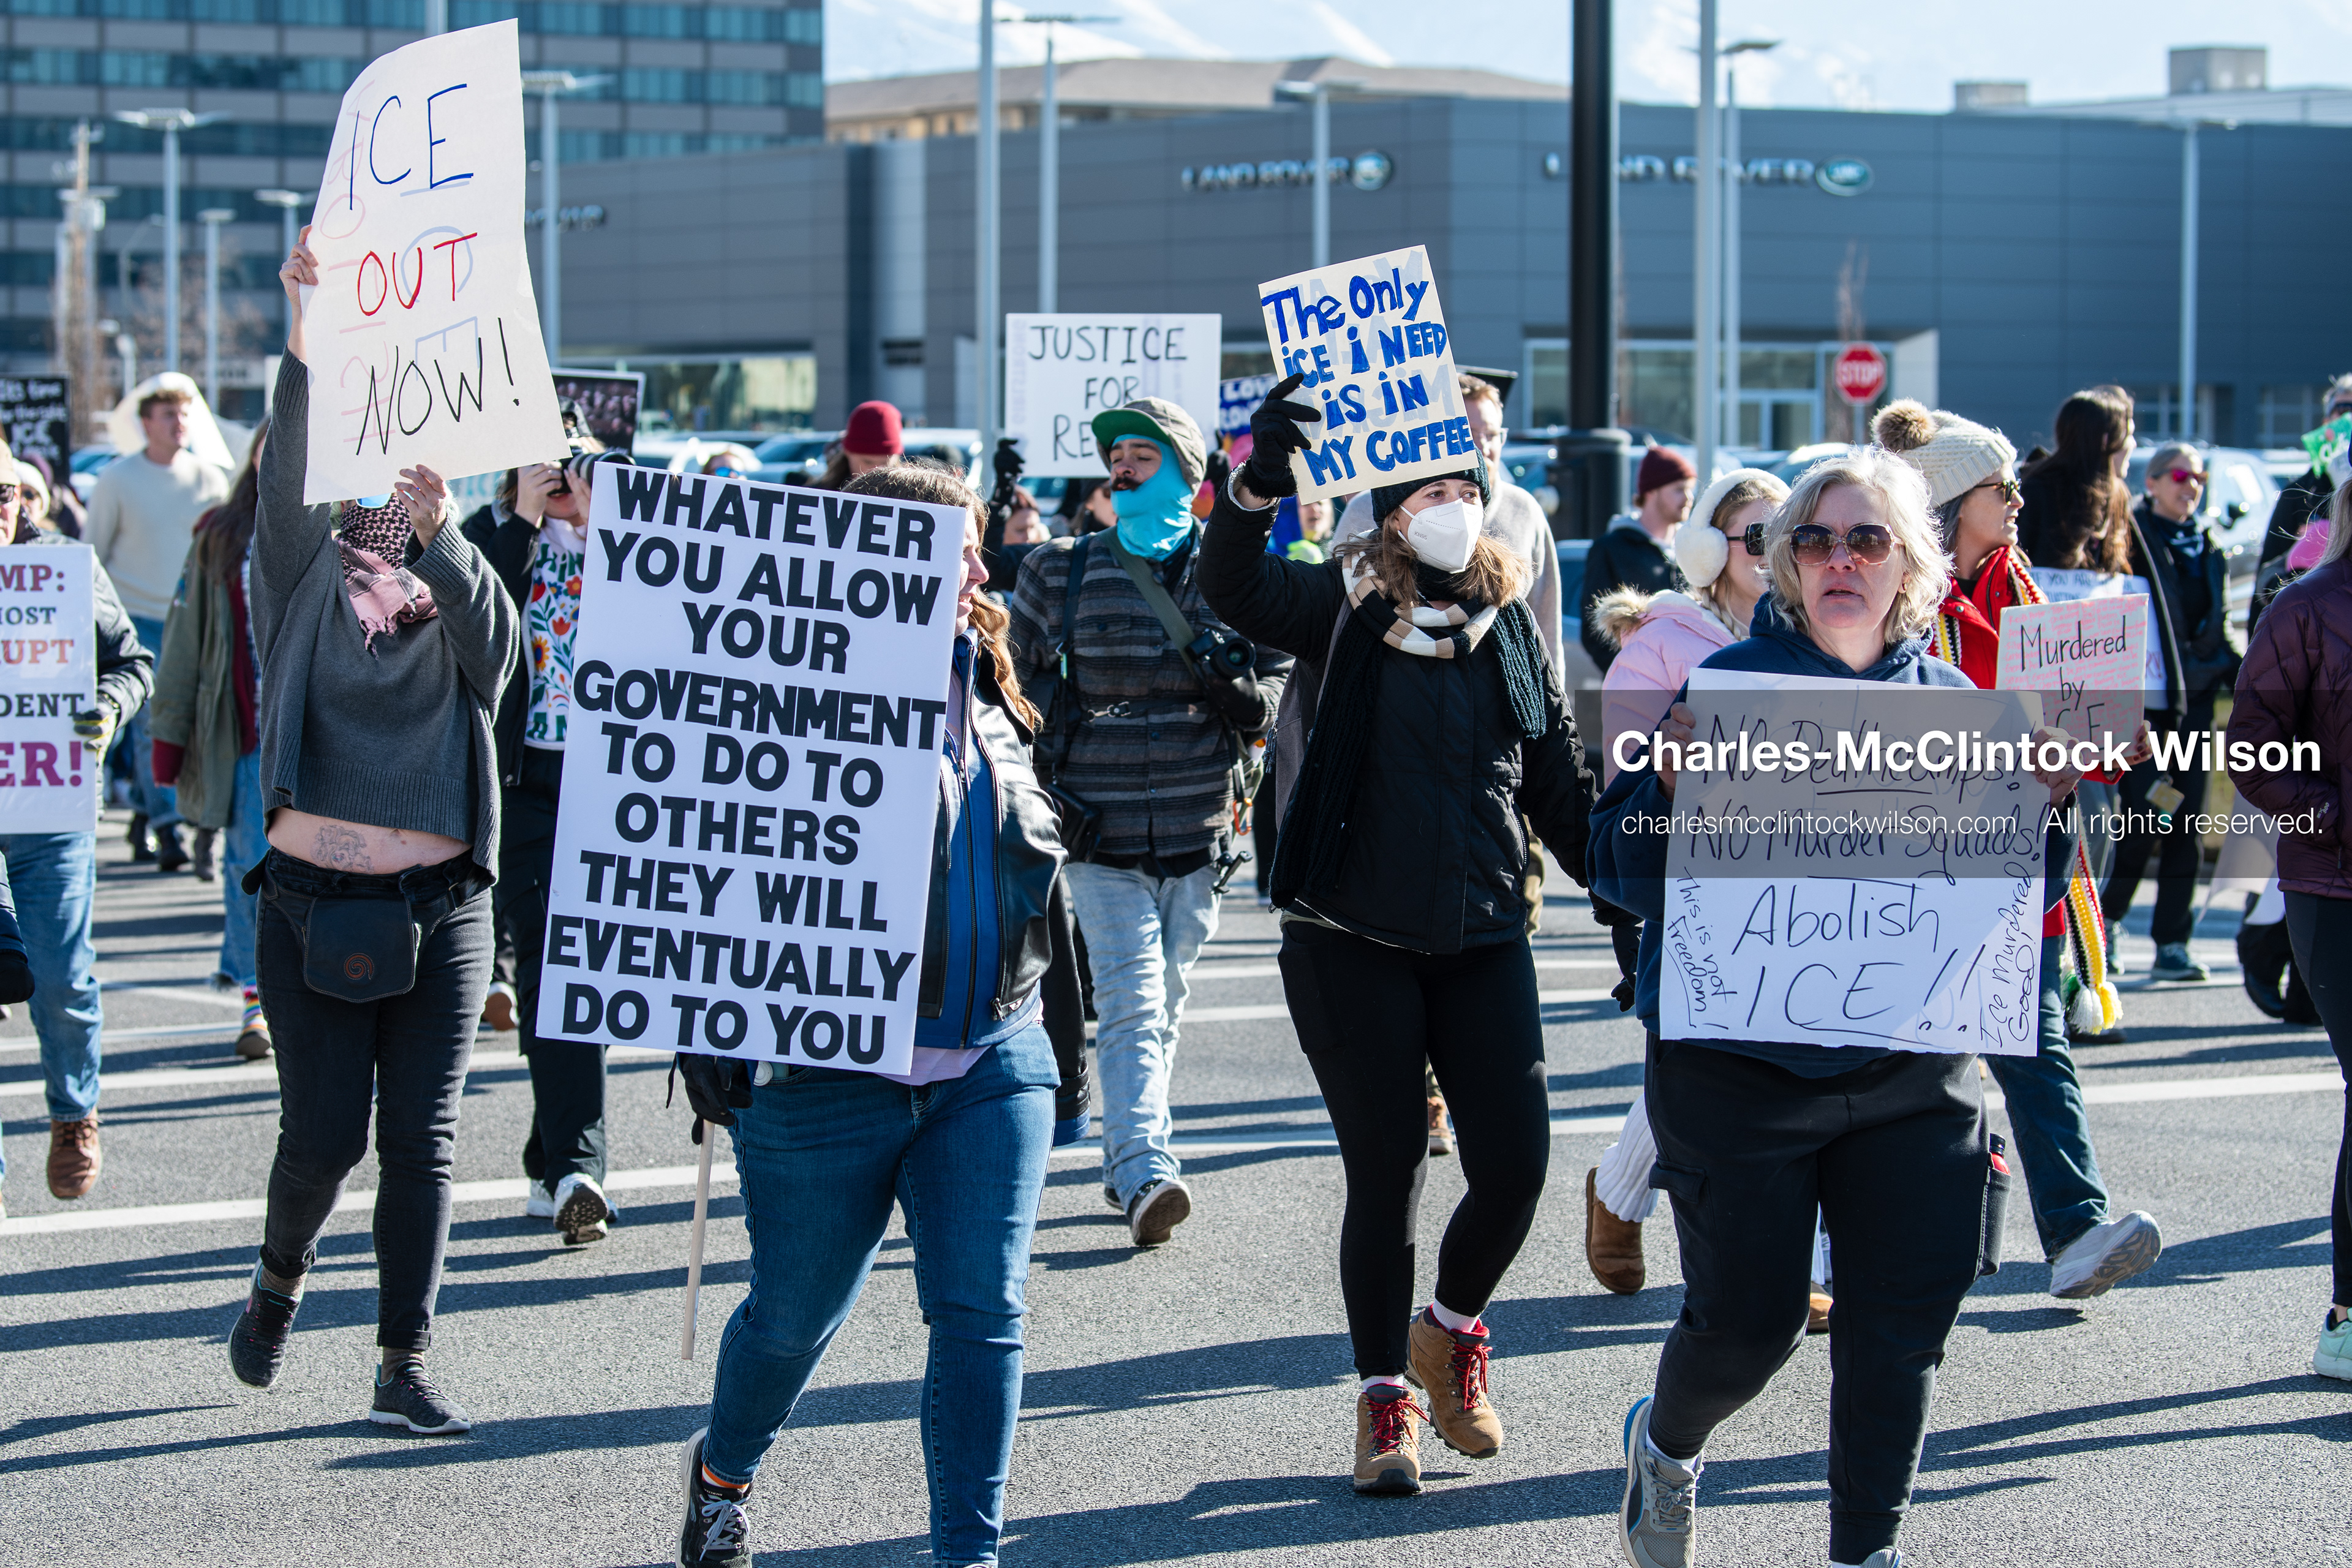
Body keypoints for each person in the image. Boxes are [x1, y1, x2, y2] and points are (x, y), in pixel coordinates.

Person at [1595, 448, 2081, 1568]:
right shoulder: (1718, 694)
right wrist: (1665, 792)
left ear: (1911, 564)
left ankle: (1867, 1551)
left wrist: (2050, 809)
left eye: (1868, 539)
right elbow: (1616, 873)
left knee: (1900, 1330)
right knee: (1748, 1328)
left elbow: (2025, 896)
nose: (1839, 559)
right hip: (1738, 1074)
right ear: (1783, 566)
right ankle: (1665, 1448)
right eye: (1814, 540)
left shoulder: (1969, 711)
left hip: (1912, 1076)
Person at [1199, 375, 1593, 1496]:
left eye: (1465, 479)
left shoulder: (1506, 622)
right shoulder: (1336, 603)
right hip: (1350, 934)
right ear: (1387, 505)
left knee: (1514, 1168)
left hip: (1480, 931)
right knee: (1387, 1174)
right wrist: (1259, 477)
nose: (1453, 497)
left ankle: (1452, 1327)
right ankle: (1386, 1401)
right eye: (1427, 483)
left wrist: (1648, 881)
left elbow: (1561, 787)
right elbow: (1227, 583)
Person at [668, 462, 1066, 1568]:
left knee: (982, 1315)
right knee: (794, 1317)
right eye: (960, 547)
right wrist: (706, 1013)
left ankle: (967, 1557)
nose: (984, 569)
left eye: (983, 545)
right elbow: (696, 852)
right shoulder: (776, 680)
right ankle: (722, 1470)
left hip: (989, 1058)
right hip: (823, 1070)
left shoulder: (984, 674)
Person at [225, 227, 518, 1438]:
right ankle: (280, 1277)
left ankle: (403, 1358)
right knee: (325, 1137)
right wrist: (308, 332)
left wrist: (445, 538)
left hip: (441, 905)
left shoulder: (459, 565)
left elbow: (498, 664)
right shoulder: (295, 568)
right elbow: (296, 434)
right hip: (307, 899)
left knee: (422, 1135)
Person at [1879, 398, 2164, 1300]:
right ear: (1953, 499)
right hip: (1922, 869)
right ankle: (1846, 1243)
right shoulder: (1906, 606)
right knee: (1896, 1065)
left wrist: (2111, 740)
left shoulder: (2027, 591)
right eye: (2000, 487)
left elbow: (2078, 728)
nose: (2016, 500)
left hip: (2025, 862)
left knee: (2031, 1038)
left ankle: (2077, 1230)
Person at [1009, 396, 1289, 1248]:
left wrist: (1247, 696)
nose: (1122, 468)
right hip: (1098, 831)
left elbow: (1275, 688)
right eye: (1116, 455)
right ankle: (1144, 1169)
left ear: (1187, 471)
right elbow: (1011, 689)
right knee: (1132, 996)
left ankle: (1129, 1155)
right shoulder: (1057, 570)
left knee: (1164, 1001)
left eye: (1143, 454)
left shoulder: (1234, 573)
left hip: (1202, 830)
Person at [1581, 466, 1785, 1301]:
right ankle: (1618, 1193)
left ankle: (1803, 1263)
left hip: (1793, 889)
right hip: (1690, 891)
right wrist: (1672, 769)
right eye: (1759, 538)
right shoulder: (1661, 644)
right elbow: (1624, 792)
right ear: (1711, 550)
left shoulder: (1818, 636)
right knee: (1697, 1065)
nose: (1779, 555)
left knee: (1790, 1063)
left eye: (1793, 535)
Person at [461, 417, 627, 1246]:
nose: (560, 472)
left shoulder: (631, 538)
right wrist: (525, 516)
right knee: (556, 955)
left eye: (572, 457)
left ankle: (553, 1158)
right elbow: (470, 618)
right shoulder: (491, 537)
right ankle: (575, 1165)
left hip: (612, 782)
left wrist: (608, 512)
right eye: (544, 458)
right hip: (524, 783)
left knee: (580, 962)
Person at [0, 435, 150, 1216]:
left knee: (58, 975)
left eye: (5, 493)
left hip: (46, 809)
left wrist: (109, 711)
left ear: (27, 498)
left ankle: (73, 1112)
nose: (0, 509)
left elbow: (134, 663)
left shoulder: (62, 571)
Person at [2227, 475, 2352, 1383]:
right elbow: (2253, 751)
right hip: (2336, 889)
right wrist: (2339, 815)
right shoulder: (2306, 608)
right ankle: (2347, 1315)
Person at [150, 420, 276, 1060]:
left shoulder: (345, 529)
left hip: (327, 737)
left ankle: (310, 1000)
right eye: (271, 439)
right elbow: (184, 641)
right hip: (244, 734)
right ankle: (257, 1004)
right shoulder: (218, 535)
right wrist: (168, 740)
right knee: (248, 866)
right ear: (252, 455)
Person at [2101, 441, 2242, 982]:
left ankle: (2173, 943)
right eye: (2180, 475)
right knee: (2141, 819)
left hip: (2196, 704)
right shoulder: (2130, 539)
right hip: (2148, 706)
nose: (2192, 486)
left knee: (2187, 820)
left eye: (2200, 477)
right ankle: (2107, 922)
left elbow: (2220, 625)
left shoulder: (2209, 546)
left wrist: (2244, 674)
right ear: (2153, 483)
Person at [85, 377, 229, 870]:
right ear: (145, 423)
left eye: (185, 414)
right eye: (167, 415)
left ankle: (148, 812)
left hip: (190, 620)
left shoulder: (211, 481)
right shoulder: (116, 480)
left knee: (188, 724)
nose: (178, 423)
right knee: (151, 722)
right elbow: (91, 556)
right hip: (134, 619)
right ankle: (170, 829)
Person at [1580, 445, 1692, 673]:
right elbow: (1594, 630)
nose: (1689, 498)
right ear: (1651, 492)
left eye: (1690, 489)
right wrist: (1634, 674)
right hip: (1636, 689)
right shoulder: (1611, 549)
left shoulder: (1690, 550)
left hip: (1687, 687)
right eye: (1679, 489)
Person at [2255, 374, 2352, 581]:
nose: (2350, 419)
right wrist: (2302, 555)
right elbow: (2267, 576)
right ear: (2327, 422)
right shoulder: (2299, 494)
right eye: (2344, 410)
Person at [812, 400, 903, 489]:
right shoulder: (819, 498)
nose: (876, 472)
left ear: (896, 457)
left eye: (885, 463)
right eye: (868, 462)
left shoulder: (911, 498)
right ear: (847, 452)